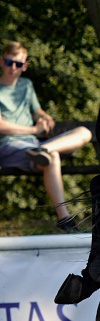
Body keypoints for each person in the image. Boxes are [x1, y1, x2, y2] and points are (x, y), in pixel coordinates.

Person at [0, 41, 93, 230]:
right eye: (10, 63)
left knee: (84, 132)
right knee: (53, 156)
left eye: (18, 64)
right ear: (2, 62)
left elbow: (37, 112)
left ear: (25, 66)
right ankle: (65, 219)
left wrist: (45, 118)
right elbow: (1, 126)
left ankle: (43, 149)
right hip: (8, 146)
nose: (13, 68)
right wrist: (34, 130)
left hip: (33, 146)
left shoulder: (26, 85)